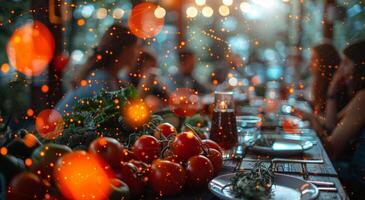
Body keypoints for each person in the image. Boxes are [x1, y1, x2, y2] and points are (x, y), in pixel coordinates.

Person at [302, 40, 365, 198]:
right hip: (351, 170)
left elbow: (331, 149)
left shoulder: (363, 98)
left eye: (346, 63)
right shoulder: (359, 96)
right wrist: (332, 90)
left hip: (355, 180)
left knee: (300, 171)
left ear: (359, 67)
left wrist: (313, 121)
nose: (339, 69)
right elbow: (334, 122)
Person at [56, 23, 140, 113]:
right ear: (125, 51)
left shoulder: (111, 77)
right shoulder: (102, 78)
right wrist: (145, 89)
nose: (139, 53)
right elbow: (118, 117)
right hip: (57, 126)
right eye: (136, 48)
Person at [309, 43, 341, 114]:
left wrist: (309, 116)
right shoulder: (320, 83)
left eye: (314, 59)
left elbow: (327, 123)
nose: (310, 64)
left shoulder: (334, 87)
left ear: (325, 62)